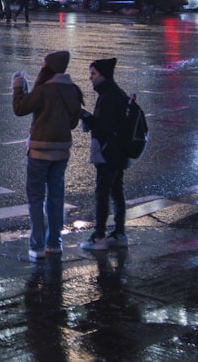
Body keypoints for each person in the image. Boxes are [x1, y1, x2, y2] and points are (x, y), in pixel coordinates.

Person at [12, 51, 84, 261]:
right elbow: (72, 123)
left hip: (39, 151)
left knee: (35, 197)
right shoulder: (73, 90)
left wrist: (18, 86)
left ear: (48, 67)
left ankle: (37, 245)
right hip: (61, 151)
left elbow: (20, 108)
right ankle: (55, 243)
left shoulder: (44, 90)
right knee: (56, 196)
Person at [80, 58, 131, 251]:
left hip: (110, 152)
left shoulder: (109, 97)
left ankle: (99, 235)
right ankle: (119, 233)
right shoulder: (114, 93)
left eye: (94, 74)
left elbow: (105, 127)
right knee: (116, 191)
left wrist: (85, 116)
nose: (90, 78)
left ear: (104, 76)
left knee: (103, 192)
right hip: (119, 152)